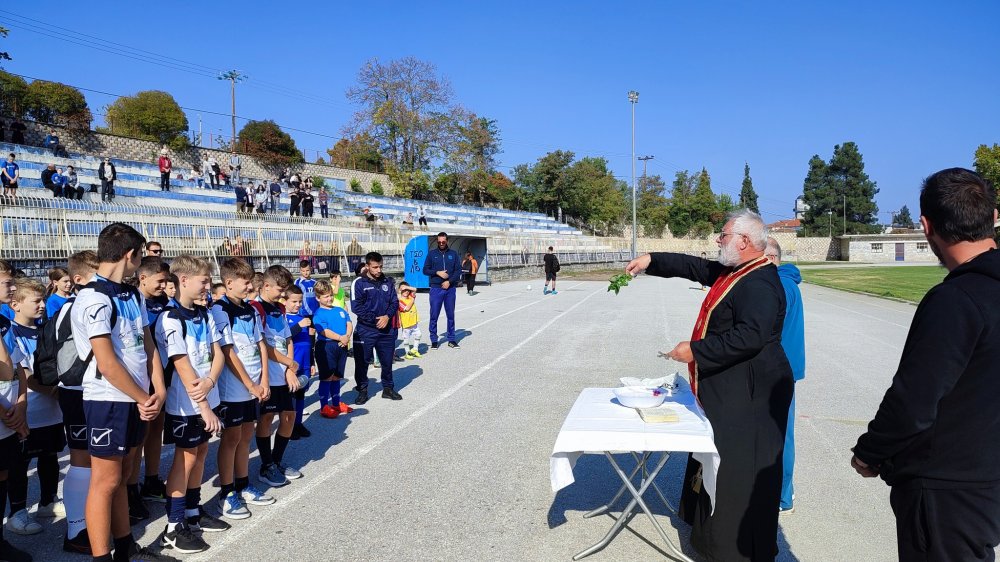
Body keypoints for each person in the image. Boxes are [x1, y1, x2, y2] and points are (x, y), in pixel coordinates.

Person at [624, 209, 793, 561]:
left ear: (745, 242)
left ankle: (733, 550)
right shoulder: (737, 272)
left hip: (751, 395)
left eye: (724, 234)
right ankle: (706, 536)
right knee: (715, 459)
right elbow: (693, 267)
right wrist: (651, 259)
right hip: (733, 388)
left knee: (737, 468)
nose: (718, 239)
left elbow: (750, 336)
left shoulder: (760, 282)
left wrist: (694, 351)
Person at [852, 168, 1000, 561]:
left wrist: (870, 451)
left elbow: (915, 399)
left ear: (925, 225)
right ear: (994, 217)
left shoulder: (956, 300)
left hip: (946, 486)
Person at [70, 222, 170, 561]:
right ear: (129, 255)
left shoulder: (130, 294)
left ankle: (125, 547)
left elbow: (148, 343)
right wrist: (145, 399)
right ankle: (102, 556)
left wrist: (159, 387)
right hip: (108, 400)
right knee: (106, 481)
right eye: (140, 256)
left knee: (126, 475)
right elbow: (107, 362)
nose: (141, 262)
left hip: (138, 399)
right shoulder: (91, 298)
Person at [155, 255, 230, 554]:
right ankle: (173, 527)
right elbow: (182, 366)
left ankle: (192, 512)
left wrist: (211, 383)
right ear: (183, 280)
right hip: (185, 404)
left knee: (200, 453)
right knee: (184, 459)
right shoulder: (169, 318)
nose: (207, 287)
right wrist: (204, 408)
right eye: (204, 281)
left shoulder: (205, 314)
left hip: (206, 397)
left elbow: (218, 353)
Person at [213, 258, 274, 521]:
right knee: (231, 439)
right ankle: (226, 493)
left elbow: (261, 344)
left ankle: (243, 483)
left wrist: (264, 380)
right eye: (246, 281)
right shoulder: (220, 310)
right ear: (229, 283)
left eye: (251, 280)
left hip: (255, 385)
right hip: (233, 389)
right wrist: (249, 384)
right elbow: (227, 352)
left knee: (246, 437)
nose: (251, 285)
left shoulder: (250, 308)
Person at [5, 278, 65, 537]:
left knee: (50, 456)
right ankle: (17, 512)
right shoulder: (9, 331)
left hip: (51, 410)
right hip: (27, 410)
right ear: (16, 305)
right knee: (19, 462)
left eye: (43, 300)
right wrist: (53, 391)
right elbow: (24, 373)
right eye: (36, 301)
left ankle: (48, 501)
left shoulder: (46, 329)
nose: (42, 305)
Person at [54, 250, 99, 555]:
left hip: (88, 390)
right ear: (79, 279)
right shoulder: (77, 305)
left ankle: (88, 523)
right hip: (76, 390)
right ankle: (75, 530)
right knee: (81, 461)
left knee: (93, 462)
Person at [765, 237, 805, 515]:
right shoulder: (786, 282)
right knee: (781, 431)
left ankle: (782, 495)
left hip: (778, 371)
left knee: (780, 434)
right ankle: (782, 490)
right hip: (784, 368)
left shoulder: (779, 286)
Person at [252, 266, 302, 488]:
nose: (283, 295)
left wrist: (290, 369)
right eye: (280, 290)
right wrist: (288, 363)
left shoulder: (280, 309)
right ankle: (266, 465)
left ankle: (277, 460)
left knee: (289, 416)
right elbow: (264, 347)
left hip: (283, 374)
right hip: (268, 375)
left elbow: (288, 340)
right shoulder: (255, 309)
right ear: (266, 286)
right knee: (266, 419)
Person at [132, 257, 171, 517]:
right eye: (160, 281)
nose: (164, 285)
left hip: (163, 375)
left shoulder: (165, 303)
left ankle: (152, 479)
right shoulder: (133, 302)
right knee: (137, 436)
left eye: (166, 281)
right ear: (142, 277)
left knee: (156, 427)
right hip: (139, 378)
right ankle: (130, 487)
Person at [351, 252, 402, 403]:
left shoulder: (387, 281)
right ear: (367, 266)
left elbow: (394, 302)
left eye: (380, 266)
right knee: (362, 362)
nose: (379, 270)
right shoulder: (359, 283)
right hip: (366, 329)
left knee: (387, 361)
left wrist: (387, 317)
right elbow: (356, 307)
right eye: (375, 267)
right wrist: (375, 320)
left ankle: (388, 388)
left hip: (386, 329)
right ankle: (362, 390)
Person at [0, 317, 30, 561]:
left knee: (3, 474)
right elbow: (5, 368)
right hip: (4, 416)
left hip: (8, 419)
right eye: (6, 283)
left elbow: (16, 371)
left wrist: (21, 407)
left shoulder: (4, 323)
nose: (11, 288)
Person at [311, 279, 353, 419]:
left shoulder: (340, 310)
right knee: (327, 377)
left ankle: (335, 403)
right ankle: (324, 406)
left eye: (330, 295)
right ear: (318, 298)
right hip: (327, 346)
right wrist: (340, 338)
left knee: (337, 376)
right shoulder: (318, 314)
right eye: (325, 296)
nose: (329, 298)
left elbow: (349, 323)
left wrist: (346, 336)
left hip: (342, 345)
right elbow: (323, 331)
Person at [421, 232, 462, 349]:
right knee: (434, 315)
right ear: (437, 241)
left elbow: (458, 270)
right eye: (439, 242)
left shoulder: (453, 254)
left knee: (450, 315)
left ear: (447, 241)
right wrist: (437, 272)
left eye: (443, 242)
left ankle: (451, 339)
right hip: (436, 289)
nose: (441, 243)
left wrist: (449, 281)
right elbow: (425, 270)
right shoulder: (431, 254)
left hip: (450, 289)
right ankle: (434, 340)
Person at [283, 286, 312, 440]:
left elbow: (309, 341)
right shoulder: (283, 318)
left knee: (301, 395)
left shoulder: (302, 317)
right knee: (291, 396)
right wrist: (298, 326)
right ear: (285, 301)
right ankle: (289, 426)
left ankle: (298, 423)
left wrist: (312, 362)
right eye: (294, 301)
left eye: (300, 301)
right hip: (293, 364)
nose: (298, 304)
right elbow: (284, 339)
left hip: (305, 363)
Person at [397, 283, 421, 359]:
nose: (406, 292)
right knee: (406, 338)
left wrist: (407, 287)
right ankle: (407, 353)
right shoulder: (400, 301)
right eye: (404, 290)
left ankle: (415, 349)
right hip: (406, 323)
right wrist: (413, 299)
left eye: (407, 290)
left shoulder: (409, 296)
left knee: (419, 334)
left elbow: (415, 289)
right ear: (400, 290)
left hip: (414, 321)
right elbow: (407, 308)